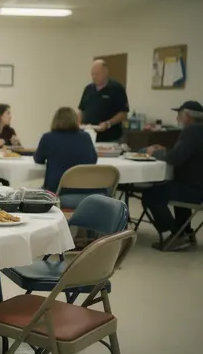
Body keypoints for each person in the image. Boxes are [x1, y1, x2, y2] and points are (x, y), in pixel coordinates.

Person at [141, 101, 203, 251]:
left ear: (187, 116)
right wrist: (167, 150)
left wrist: (154, 152)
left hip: (195, 190)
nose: (177, 119)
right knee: (173, 186)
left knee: (151, 194)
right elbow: (186, 153)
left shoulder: (192, 131)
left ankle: (176, 234)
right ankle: (186, 232)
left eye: (179, 116)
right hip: (197, 186)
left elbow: (176, 158)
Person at [33, 107, 98, 192]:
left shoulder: (48, 138)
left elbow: (38, 159)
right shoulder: (86, 137)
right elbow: (93, 160)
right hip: (85, 189)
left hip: (58, 190)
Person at [78, 59, 129, 143]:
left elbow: (123, 113)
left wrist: (108, 123)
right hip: (89, 137)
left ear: (106, 73)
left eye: (97, 74)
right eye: (92, 74)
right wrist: (78, 124)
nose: (94, 77)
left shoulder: (116, 88)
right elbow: (81, 109)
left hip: (110, 138)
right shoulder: (88, 89)